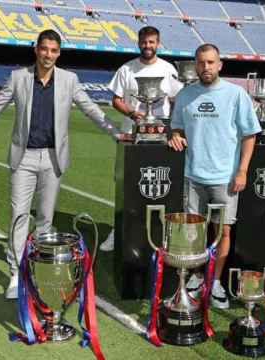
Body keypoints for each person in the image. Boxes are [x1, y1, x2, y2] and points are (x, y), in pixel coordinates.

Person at [0, 29, 127, 299]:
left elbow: (90, 108)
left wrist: (116, 132)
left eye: (54, 50)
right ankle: (16, 273)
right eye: (44, 49)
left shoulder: (69, 79)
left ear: (59, 53)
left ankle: (40, 270)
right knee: (19, 216)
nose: (48, 55)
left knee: (45, 219)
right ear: (36, 49)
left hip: (53, 158)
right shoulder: (18, 77)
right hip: (24, 157)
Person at [168, 43, 260, 309]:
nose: (205, 67)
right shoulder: (186, 95)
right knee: (192, 233)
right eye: (201, 62)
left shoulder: (236, 94)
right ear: (195, 65)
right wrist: (175, 135)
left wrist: (242, 170)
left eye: (210, 62)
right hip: (193, 177)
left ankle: (216, 282)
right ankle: (197, 276)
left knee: (223, 230)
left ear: (220, 65)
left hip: (225, 178)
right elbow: (177, 128)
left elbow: (249, 135)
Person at [101, 25, 183, 251]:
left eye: (152, 42)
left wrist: (174, 129)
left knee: (159, 182)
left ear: (158, 43)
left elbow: (177, 101)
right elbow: (115, 100)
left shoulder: (168, 69)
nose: (148, 46)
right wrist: (131, 113)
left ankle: (161, 231)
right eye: (144, 42)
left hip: (161, 135)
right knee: (126, 182)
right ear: (138, 42)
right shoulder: (127, 69)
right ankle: (118, 230)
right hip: (131, 134)